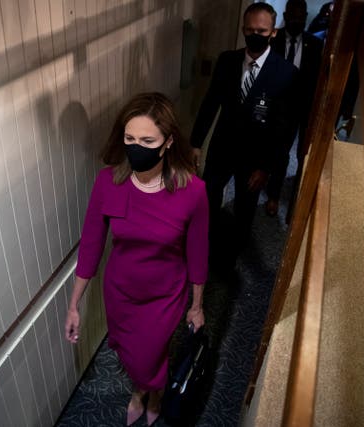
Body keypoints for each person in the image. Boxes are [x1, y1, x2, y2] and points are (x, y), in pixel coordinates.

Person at [64, 92, 209, 426]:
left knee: (149, 354)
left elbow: (198, 253)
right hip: (120, 294)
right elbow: (91, 246)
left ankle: (150, 392)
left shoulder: (193, 192)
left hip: (164, 296)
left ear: (168, 142)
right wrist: (74, 304)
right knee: (130, 353)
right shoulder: (107, 183)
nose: (135, 147)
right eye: (130, 138)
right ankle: (143, 388)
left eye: (147, 140)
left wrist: (197, 305)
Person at [191, 3, 299, 268]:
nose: (255, 35)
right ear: (243, 29)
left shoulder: (286, 73)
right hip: (221, 148)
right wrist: (195, 143)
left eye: (261, 30)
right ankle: (203, 247)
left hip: (256, 158)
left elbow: (285, 129)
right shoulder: (227, 60)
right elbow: (210, 102)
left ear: (273, 32)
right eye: (250, 30)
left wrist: (268, 168)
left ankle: (231, 258)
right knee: (208, 197)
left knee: (244, 207)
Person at [267, 0, 324, 217]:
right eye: (293, 16)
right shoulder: (274, 39)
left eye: (301, 17)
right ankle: (273, 196)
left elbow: (318, 79)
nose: (297, 20)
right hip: (279, 108)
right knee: (280, 153)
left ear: (306, 16)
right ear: (286, 14)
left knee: (304, 155)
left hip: (306, 108)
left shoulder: (315, 44)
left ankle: (296, 200)